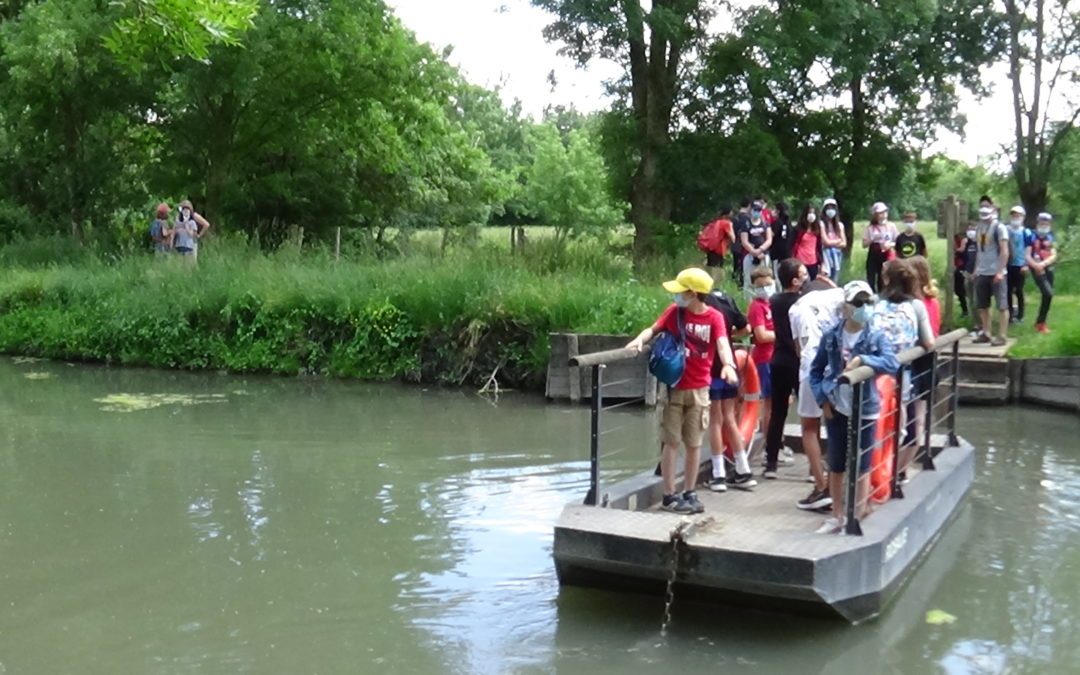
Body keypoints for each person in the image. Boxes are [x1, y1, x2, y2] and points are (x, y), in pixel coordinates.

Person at [626, 268, 737, 514]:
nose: (677, 296)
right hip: (675, 388)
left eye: (681, 292)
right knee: (671, 442)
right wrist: (639, 340)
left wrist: (728, 365)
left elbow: (721, 343)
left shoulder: (714, 318)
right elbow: (653, 329)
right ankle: (669, 495)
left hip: (700, 389)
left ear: (693, 293)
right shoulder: (674, 312)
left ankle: (689, 491)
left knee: (694, 443)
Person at [810, 281, 900, 534]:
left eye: (868, 302)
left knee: (861, 463)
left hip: (866, 406)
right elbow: (815, 371)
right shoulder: (831, 336)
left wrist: (863, 360)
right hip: (837, 405)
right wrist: (822, 399)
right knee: (836, 462)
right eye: (858, 303)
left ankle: (857, 513)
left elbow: (891, 362)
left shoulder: (876, 335)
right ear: (846, 307)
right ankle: (837, 514)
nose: (864, 308)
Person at [871, 259, 935, 483]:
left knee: (873, 421)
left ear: (886, 279)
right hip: (901, 373)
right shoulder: (916, 306)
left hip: (873, 372)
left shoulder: (874, 303)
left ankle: (871, 475)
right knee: (899, 422)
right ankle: (890, 476)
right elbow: (929, 342)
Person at [789, 280, 847, 511]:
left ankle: (821, 486)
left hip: (811, 369)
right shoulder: (836, 297)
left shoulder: (796, 308)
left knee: (809, 428)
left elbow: (798, 348)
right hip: (838, 370)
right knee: (838, 427)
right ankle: (840, 486)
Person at [702, 283, 754, 491]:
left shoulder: (703, 304)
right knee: (730, 418)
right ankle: (743, 469)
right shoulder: (726, 299)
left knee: (715, 421)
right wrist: (727, 338)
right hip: (730, 364)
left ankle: (718, 474)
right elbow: (746, 328)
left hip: (712, 366)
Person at [762, 258, 807, 479]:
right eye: (803, 274)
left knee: (777, 412)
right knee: (810, 414)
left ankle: (771, 463)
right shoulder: (804, 302)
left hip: (778, 358)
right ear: (795, 280)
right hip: (799, 361)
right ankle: (813, 468)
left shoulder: (774, 300)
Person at [747, 266, 777, 463]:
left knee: (778, 404)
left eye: (768, 285)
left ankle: (776, 442)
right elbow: (761, 335)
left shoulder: (773, 304)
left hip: (777, 357)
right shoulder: (757, 307)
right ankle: (770, 445)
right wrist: (783, 335)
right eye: (761, 286)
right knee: (769, 404)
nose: (765, 289)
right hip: (765, 359)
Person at [972, 204, 1010, 346]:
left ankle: (1002, 335)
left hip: (997, 272)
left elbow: (1004, 251)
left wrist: (1000, 271)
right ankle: (986, 333)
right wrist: (976, 269)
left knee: (1002, 305)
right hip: (983, 271)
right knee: (983, 305)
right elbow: (979, 250)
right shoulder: (979, 228)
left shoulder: (999, 228)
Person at [1026, 212, 1058, 334]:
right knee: (1048, 293)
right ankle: (1040, 322)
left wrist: (1044, 264)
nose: (1044, 225)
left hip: (1048, 268)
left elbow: (1054, 254)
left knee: (1047, 296)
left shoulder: (1051, 237)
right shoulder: (1031, 236)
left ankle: (1041, 322)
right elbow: (1027, 255)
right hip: (1037, 269)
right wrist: (1036, 265)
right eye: (1041, 223)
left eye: (1046, 223)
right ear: (1037, 223)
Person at [1006, 205, 1033, 325]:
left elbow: (1028, 249)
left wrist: (1026, 264)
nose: (1015, 217)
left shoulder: (1026, 232)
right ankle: (1010, 315)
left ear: (1023, 217)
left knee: (1019, 290)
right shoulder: (1006, 230)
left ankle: (1021, 315)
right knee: (1008, 290)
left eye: (1018, 215)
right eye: (1013, 215)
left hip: (1021, 264)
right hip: (1008, 264)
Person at [739, 200, 774, 295]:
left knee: (764, 277)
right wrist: (753, 251)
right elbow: (744, 241)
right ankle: (749, 300)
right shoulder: (746, 224)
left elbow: (769, 239)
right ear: (751, 210)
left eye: (759, 210)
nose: (757, 212)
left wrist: (761, 250)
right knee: (749, 279)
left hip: (763, 255)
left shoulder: (765, 224)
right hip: (749, 255)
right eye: (755, 210)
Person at [862, 202, 897, 292]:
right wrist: (872, 239)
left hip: (886, 254)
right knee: (871, 277)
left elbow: (897, 241)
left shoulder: (891, 226)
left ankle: (883, 294)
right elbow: (864, 244)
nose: (883, 215)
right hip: (873, 254)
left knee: (883, 278)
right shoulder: (870, 228)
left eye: (884, 212)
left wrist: (890, 245)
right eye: (880, 213)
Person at [700, 206, 735, 283]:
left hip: (710, 249)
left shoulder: (715, 222)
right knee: (717, 272)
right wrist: (731, 227)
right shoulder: (726, 223)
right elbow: (733, 238)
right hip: (719, 250)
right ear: (728, 213)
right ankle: (714, 288)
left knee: (710, 270)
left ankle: (707, 286)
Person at [792, 204, 824, 279]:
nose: (811, 215)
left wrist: (822, 263)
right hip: (800, 261)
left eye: (813, 213)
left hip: (813, 261)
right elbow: (793, 245)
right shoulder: (798, 229)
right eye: (809, 213)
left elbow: (819, 247)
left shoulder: (817, 230)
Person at [821, 198, 847, 282]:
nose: (830, 210)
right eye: (828, 208)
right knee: (826, 277)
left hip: (837, 254)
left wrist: (831, 243)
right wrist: (837, 241)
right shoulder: (821, 224)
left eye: (832, 208)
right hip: (825, 255)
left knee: (835, 277)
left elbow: (844, 243)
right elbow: (825, 242)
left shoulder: (839, 225)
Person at [953, 227, 976, 318]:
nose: (971, 231)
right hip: (962, 268)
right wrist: (962, 245)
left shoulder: (978, 242)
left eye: (973, 229)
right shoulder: (965, 242)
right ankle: (965, 310)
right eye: (969, 229)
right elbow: (959, 252)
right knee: (959, 290)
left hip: (973, 270)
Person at [732, 198, 751, 286]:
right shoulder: (747, 218)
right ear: (749, 206)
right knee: (743, 266)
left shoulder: (735, 217)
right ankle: (740, 283)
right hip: (743, 245)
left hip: (734, 244)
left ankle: (734, 281)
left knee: (736, 264)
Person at [771, 201, 793, 268]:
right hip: (787, 252)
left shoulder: (777, 223)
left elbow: (771, 235)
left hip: (777, 253)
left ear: (778, 211)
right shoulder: (789, 223)